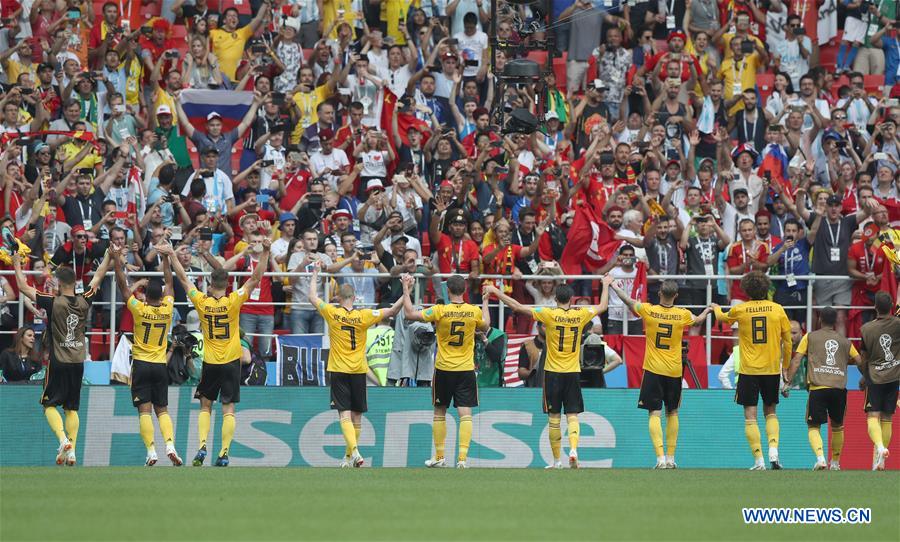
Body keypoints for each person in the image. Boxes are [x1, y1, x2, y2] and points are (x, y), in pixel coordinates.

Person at [162, 238, 270, 467]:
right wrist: (266, 251)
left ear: (210, 284)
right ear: (228, 283)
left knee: (205, 405)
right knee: (228, 407)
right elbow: (256, 278)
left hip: (210, 362)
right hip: (232, 361)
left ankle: (202, 446)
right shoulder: (234, 300)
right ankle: (223, 453)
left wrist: (172, 254)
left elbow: (182, 278)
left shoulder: (202, 302)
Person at [486, 277, 611, 469]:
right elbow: (602, 306)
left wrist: (496, 291)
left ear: (555, 299)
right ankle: (574, 450)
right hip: (572, 372)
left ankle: (557, 461)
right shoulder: (581, 315)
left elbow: (518, 307)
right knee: (573, 415)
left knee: (554, 417)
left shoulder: (548, 314)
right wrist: (606, 284)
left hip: (552, 373)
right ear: (571, 298)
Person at [12, 249, 112, 466]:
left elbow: (22, 287)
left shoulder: (53, 301)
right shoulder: (85, 300)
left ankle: (62, 439)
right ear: (75, 283)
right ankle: (72, 451)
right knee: (72, 408)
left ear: (58, 282)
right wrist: (108, 256)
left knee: (49, 404)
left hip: (59, 361)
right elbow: (98, 276)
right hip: (78, 361)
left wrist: (17, 263)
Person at [609, 279, 711, 469]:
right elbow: (698, 321)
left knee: (653, 413)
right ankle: (671, 458)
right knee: (672, 412)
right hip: (674, 370)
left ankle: (660, 458)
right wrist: (707, 310)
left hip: (653, 369)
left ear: (659, 294)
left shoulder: (649, 310)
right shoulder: (682, 314)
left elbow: (628, 301)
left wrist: (613, 286)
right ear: (676, 296)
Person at [308, 263, 402, 467]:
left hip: (339, 369)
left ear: (338, 298)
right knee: (357, 414)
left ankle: (354, 453)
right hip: (359, 370)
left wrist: (315, 273)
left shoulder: (332, 313)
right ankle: (350, 455)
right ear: (355, 298)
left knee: (344, 413)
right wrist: (408, 291)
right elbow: (393, 309)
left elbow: (313, 298)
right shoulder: (364, 315)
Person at [402, 274, 489, 469]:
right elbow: (486, 324)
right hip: (466, 368)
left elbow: (409, 314)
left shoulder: (440, 310)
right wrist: (484, 302)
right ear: (464, 290)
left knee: (440, 412)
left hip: (443, 368)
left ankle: (440, 457)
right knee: (465, 414)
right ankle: (462, 460)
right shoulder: (473, 311)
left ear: (448, 291)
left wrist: (406, 289)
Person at [111, 243, 182, 467]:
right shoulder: (167, 309)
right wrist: (167, 258)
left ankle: (151, 451)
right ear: (161, 297)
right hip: (161, 365)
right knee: (162, 409)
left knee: (144, 410)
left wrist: (116, 261)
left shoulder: (139, 309)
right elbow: (170, 283)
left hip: (141, 364)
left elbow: (123, 287)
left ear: (144, 296)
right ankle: (170, 445)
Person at [713, 271, 792, 470]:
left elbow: (722, 317)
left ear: (746, 290)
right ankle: (774, 452)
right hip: (771, 369)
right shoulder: (777, 309)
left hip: (748, 370)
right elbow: (788, 341)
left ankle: (759, 461)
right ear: (767, 289)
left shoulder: (741, 309)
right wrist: (785, 367)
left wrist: (715, 308)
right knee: (771, 412)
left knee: (750, 415)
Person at [785, 307, 860, 471]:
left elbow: (797, 360)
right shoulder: (845, 341)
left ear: (819, 319)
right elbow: (859, 360)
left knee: (813, 426)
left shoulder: (810, 337)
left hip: (818, 388)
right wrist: (865, 378)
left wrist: (787, 382)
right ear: (835, 322)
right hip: (839, 389)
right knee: (838, 426)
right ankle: (835, 463)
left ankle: (820, 458)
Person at [858, 291, 900, 471]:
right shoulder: (898, 325)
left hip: (875, 378)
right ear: (891, 306)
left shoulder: (866, 329)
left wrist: (863, 376)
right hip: (894, 376)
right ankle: (881, 461)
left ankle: (881, 448)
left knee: (873, 416)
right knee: (887, 418)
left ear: (874, 307)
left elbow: (863, 358)